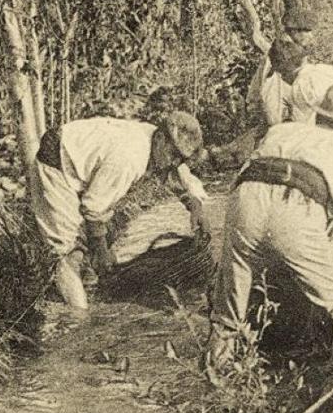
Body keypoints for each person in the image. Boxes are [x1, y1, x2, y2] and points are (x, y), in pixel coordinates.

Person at [214, 82, 333, 362]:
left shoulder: (282, 130)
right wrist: (328, 282)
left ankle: (217, 364)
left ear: (319, 116)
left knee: (233, 291)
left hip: (246, 195)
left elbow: (249, 169)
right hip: (296, 207)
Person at [30, 111, 208, 312]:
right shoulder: (130, 159)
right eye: (174, 155)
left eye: (181, 158)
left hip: (81, 157)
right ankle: (79, 318)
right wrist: (101, 250)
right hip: (57, 161)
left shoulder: (155, 141)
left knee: (93, 246)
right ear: (161, 138)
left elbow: (178, 174)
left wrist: (195, 204)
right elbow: (93, 208)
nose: (175, 162)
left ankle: (87, 285)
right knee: (67, 253)